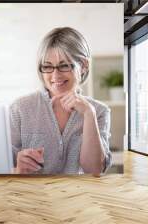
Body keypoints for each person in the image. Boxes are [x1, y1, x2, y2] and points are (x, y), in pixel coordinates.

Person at [10, 27, 112, 175]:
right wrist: (17, 169)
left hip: (79, 196)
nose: (55, 75)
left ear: (83, 65)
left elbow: (95, 170)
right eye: (47, 66)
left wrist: (89, 114)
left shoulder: (99, 111)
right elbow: (1, 168)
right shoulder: (20, 109)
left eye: (64, 66)